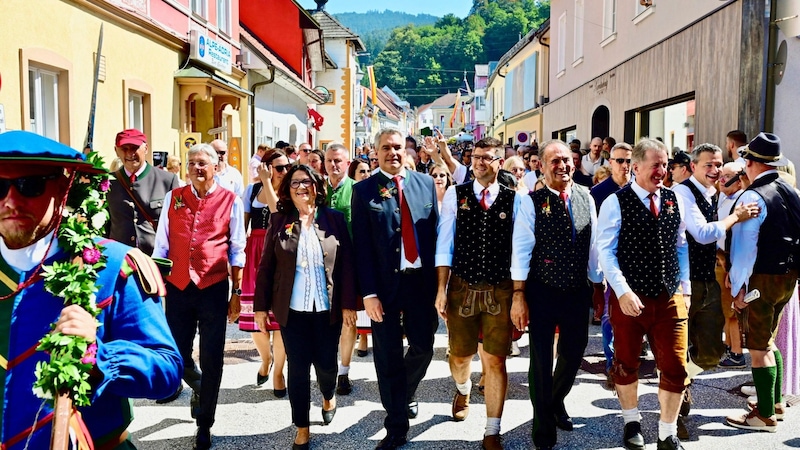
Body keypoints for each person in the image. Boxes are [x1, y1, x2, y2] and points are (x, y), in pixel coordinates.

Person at [0, 130, 182, 449]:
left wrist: (100, 356)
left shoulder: (112, 266)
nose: (11, 201)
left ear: (63, 187)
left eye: (30, 185)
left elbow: (166, 370)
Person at [435, 137, 530, 450]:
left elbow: (520, 249)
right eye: (475, 157)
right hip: (462, 286)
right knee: (459, 356)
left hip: (500, 289)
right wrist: (441, 288)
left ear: (499, 162)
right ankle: (462, 387)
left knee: (495, 360)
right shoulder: (455, 194)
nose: (479, 162)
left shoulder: (514, 199)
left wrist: (518, 293)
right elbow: (445, 243)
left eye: (487, 158)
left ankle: (492, 430)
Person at [254, 164, 358, 450]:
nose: (301, 187)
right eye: (295, 183)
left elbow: (347, 264)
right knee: (298, 369)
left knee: (326, 365)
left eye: (307, 182)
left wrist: (349, 304)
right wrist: (260, 307)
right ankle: (302, 426)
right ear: (287, 190)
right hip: (292, 311)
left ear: (317, 186)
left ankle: (328, 393)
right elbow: (266, 266)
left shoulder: (334, 219)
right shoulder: (280, 220)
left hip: (328, 310)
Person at [597, 138, 691, 450]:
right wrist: (621, 292)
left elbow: (681, 246)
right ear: (636, 167)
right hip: (630, 298)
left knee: (676, 366)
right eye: (656, 165)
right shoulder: (616, 202)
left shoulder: (673, 199)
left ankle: (667, 432)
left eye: (665, 165)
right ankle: (631, 421)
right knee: (625, 363)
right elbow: (606, 253)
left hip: (668, 296)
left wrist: (685, 289)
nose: (662, 171)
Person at [153, 143, 246, 450]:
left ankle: (205, 423)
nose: (196, 167)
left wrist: (237, 292)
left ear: (215, 167)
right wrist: (157, 282)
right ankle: (198, 386)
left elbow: (237, 249)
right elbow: (161, 246)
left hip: (213, 287)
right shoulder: (173, 197)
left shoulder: (230, 200)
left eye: (202, 163)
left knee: (212, 357)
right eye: (191, 163)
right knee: (176, 355)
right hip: (178, 286)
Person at [511, 139, 602, 450]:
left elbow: (593, 247)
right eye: (555, 161)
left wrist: (598, 285)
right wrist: (518, 293)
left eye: (567, 160)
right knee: (539, 359)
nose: (563, 165)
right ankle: (543, 423)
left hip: (577, 289)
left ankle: (555, 399)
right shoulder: (530, 202)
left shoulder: (586, 197)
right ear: (541, 165)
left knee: (574, 352)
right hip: (542, 289)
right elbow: (522, 249)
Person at [351, 128, 439, 450]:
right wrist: (368, 293)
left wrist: (440, 287)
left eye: (398, 147)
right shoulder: (363, 191)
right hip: (384, 288)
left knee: (423, 347)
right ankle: (397, 427)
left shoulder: (425, 184)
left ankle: (405, 391)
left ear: (407, 150)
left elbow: (434, 237)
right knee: (387, 357)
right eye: (386, 147)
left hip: (419, 283)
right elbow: (360, 246)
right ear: (376, 152)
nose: (393, 153)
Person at [671, 143, 759, 438]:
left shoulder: (712, 193)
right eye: (708, 164)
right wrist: (737, 216)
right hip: (685, 283)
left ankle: (680, 378)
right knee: (678, 349)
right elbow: (702, 233)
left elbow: (711, 237)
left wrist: (722, 257)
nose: (714, 170)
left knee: (710, 353)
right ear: (692, 167)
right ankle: (673, 418)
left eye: (718, 164)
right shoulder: (683, 192)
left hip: (707, 281)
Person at [726, 132, 800, 432]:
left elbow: (744, 249)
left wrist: (738, 287)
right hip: (788, 276)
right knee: (769, 339)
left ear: (750, 161)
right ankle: (777, 401)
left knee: (758, 348)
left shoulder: (752, 196)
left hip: (761, 277)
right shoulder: (791, 190)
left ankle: (764, 415)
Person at [239, 150, 290, 389]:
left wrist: (269, 182)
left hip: (279, 250)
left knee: (280, 318)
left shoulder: (291, 190)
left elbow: (276, 211)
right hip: (255, 251)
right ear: (266, 167)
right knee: (253, 314)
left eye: (286, 167)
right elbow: (243, 225)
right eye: (279, 167)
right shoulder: (251, 190)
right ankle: (266, 358)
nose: (284, 172)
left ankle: (279, 372)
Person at [322, 143, 359, 395]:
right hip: (321, 264)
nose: (333, 166)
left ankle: (344, 371)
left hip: (349, 263)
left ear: (347, 163)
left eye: (338, 161)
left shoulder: (357, 190)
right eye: (329, 161)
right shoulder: (316, 190)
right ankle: (327, 368)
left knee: (348, 319)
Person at [108, 129, 179, 256]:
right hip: (120, 259)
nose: (130, 153)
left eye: (135, 148)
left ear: (146, 148)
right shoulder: (108, 182)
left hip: (156, 260)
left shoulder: (167, 180)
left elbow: (178, 224)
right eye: (124, 148)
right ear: (116, 150)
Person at [590, 143, 633, 328]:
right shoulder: (598, 192)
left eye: (629, 161)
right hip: (608, 256)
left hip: (635, 256)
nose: (625, 165)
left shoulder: (640, 187)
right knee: (610, 312)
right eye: (620, 160)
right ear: (611, 162)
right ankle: (611, 355)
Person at [716, 162, 747, 368]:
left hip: (729, 261)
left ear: (739, 181)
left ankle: (737, 352)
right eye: (722, 174)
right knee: (725, 308)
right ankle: (729, 346)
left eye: (727, 176)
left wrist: (730, 268)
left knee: (732, 310)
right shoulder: (722, 198)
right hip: (719, 258)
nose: (722, 179)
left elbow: (740, 240)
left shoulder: (740, 202)